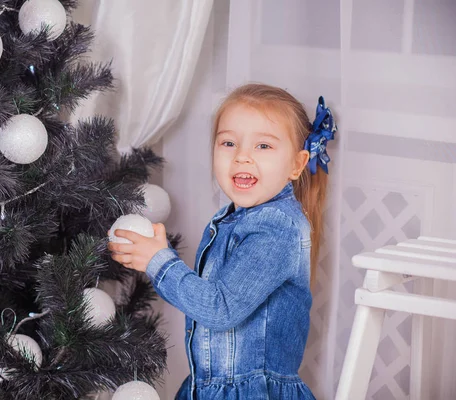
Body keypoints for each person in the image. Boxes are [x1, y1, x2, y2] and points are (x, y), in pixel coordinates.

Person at [108, 83, 336, 399]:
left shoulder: (276, 227)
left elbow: (221, 308)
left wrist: (159, 261)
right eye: (229, 142)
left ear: (297, 165)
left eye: (264, 146)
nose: (242, 157)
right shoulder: (233, 218)